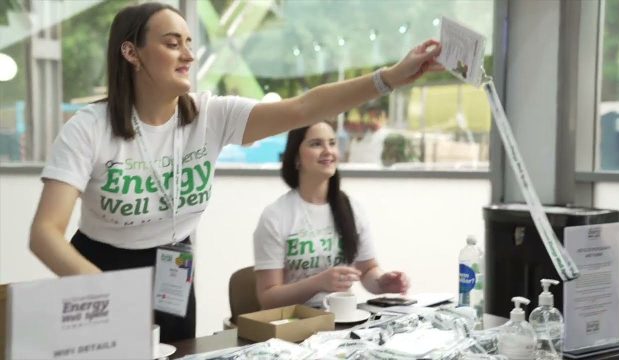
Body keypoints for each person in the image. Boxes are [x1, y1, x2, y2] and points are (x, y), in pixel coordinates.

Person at [29, 2, 442, 341]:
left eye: (190, 43)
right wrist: (111, 295)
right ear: (131, 53)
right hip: (99, 269)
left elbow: (304, 108)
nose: (189, 55)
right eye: (173, 44)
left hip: (173, 266)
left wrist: (389, 78)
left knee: (176, 353)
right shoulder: (89, 128)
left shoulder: (210, 115)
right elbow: (45, 234)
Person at [253, 121, 410, 309]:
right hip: (295, 325)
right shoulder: (275, 216)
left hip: (344, 320)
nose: (328, 151)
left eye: (332, 143)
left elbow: (367, 270)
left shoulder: (352, 208)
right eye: (316, 144)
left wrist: (382, 282)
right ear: (296, 158)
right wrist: (318, 283)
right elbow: (268, 299)